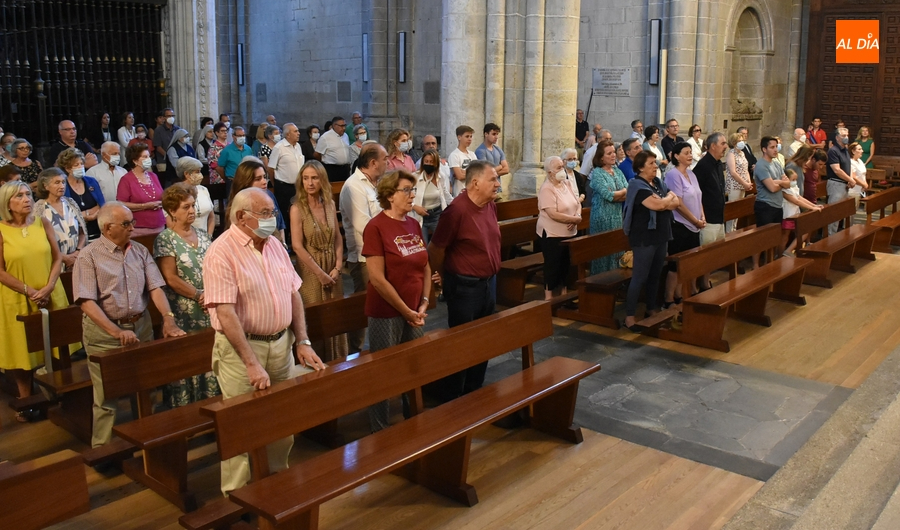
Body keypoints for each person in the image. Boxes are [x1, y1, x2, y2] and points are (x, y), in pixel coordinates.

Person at [203, 187, 325, 494]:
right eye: (266, 213)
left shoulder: (274, 245)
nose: (273, 219)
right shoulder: (221, 251)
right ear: (242, 217)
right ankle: (236, 496)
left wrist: (303, 340)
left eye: (273, 212)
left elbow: (293, 293)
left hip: (281, 344)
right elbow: (226, 313)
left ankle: (274, 484)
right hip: (243, 349)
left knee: (281, 419)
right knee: (240, 425)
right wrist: (251, 362)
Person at [74, 202, 186, 446]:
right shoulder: (89, 255)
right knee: (106, 397)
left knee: (145, 387)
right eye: (126, 224)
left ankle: (147, 438)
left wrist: (168, 318)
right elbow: (87, 302)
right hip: (105, 334)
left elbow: (155, 287)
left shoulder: (139, 251)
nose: (132, 228)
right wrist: (116, 331)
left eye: (132, 222)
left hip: (140, 326)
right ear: (107, 228)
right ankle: (103, 449)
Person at [427, 160, 501, 402]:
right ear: (475, 183)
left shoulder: (489, 205)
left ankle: (474, 389)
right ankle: (453, 397)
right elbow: (436, 248)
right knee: (462, 343)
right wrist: (443, 276)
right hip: (464, 287)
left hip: (488, 283)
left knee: (484, 339)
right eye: (493, 179)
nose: (497, 184)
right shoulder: (456, 211)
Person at [363, 170, 431, 431]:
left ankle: (412, 420)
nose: (412, 195)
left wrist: (424, 303)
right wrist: (406, 311)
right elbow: (377, 279)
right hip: (387, 311)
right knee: (384, 372)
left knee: (412, 367)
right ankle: (379, 429)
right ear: (390, 195)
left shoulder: (413, 224)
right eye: (407, 190)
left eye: (413, 190)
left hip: (415, 310)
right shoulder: (376, 227)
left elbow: (425, 265)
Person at [0, 181, 69, 422]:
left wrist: (49, 286)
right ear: (7, 203)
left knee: (58, 346)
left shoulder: (43, 222)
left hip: (50, 293)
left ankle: (63, 396)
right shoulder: (1, 230)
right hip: (17, 297)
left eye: (28, 194)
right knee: (22, 351)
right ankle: (26, 401)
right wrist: (29, 291)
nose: (26, 199)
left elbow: (57, 257)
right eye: (19, 196)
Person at [154, 183, 218, 408]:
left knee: (211, 359)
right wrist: (199, 294)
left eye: (193, 205)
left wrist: (212, 293)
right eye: (185, 207)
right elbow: (170, 278)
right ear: (172, 211)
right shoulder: (166, 239)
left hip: (209, 307)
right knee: (189, 361)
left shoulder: (203, 235)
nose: (192, 211)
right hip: (184, 311)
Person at [290, 160, 348, 362]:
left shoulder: (330, 204)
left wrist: (338, 266)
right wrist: (320, 274)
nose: (310, 183)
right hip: (311, 270)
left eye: (314, 178)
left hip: (332, 267)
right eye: (305, 178)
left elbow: (338, 238)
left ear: (322, 179)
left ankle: (337, 361)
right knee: (315, 319)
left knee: (335, 317)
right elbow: (297, 246)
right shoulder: (297, 209)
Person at [340, 143, 389, 352]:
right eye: (385, 159)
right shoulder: (353, 186)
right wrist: (390, 235)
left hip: (382, 253)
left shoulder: (374, 183)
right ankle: (355, 353)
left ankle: (382, 349)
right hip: (364, 258)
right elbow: (364, 226)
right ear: (373, 162)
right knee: (364, 309)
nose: (388, 162)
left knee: (381, 306)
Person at [622, 151, 679, 331]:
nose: (656, 166)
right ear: (640, 167)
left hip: (661, 235)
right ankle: (630, 316)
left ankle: (651, 308)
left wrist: (665, 201)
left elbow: (676, 202)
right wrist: (666, 200)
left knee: (655, 274)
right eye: (651, 163)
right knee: (640, 276)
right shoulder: (637, 185)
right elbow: (659, 205)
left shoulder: (658, 183)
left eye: (655, 162)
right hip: (644, 238)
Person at [663, 142, 705, 307]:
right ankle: (668, 299)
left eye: (690, 152)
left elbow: (698, 197)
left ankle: (682, 294)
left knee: (689, 263)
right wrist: (695, 220)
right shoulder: (673, 175)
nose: (690, 155)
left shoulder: (691, 174)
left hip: (695, 225)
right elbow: (678, 203)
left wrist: (702, 216)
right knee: (676, 264)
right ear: (676, 156)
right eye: (686, 153)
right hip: (680, 225)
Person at [537, 157, 582, 300]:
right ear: (550, 172)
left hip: (570, 232)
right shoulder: (547, 188)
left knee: (566, 264)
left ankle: (564, 294)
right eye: (558, 168)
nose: (562, 170)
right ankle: (548, 297)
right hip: (552, 234)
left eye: (562, 166)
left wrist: (577, 216)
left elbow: (577, 203)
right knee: (553, 265)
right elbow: (552, 214)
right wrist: (573, 219)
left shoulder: (567, 183)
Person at [34, 168, 87, 271]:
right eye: (57, 183)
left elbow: (82, 232)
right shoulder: (39, 209)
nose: (62, 186)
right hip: (54, 264)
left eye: (63, 182)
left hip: (77, 260)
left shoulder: (71, 203)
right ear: (45, 186)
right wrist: (65, 258)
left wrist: (78, 252)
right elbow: (39, 241)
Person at [589, 140, 627, 274]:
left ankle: (617, 278)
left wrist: (619, 194)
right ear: (601, 157)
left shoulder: (617, 171)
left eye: (614, 152)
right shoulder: (597, 173)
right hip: (602, 217)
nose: (613, 155)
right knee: (603, 253)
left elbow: (628, 192)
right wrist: (621, 192)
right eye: (609, 153)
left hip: (617, 216)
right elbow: (608, 195)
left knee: (617, 251)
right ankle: (599, 281)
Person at [227, 157, 285, 243]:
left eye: (264, 177)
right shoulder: (238, 206)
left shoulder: (269, 195)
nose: (264, 182)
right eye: (258, 179)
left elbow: (280, 225)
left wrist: (282, 244)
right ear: (245, 182)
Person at [268, 123, 305, 248]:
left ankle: (297, 243)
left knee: (298, 214)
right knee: (285, 215)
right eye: (295, 131)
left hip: (298, 186)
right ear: (288, 134)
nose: (298, 133)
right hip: (283, 187)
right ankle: (285, 244)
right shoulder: (279, 147)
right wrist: (276, 184)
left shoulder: (298, 146)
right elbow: (271, 168)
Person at [59, 148, 105, 240]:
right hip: (76, 236)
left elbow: (101, 206)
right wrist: (88, 214)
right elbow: (66, 214)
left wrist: (82, 214)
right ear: (67, 169)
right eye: (76, 165)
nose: (81, 167)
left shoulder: (92, 181)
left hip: (98, 232)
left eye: (82, 164)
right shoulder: (63, 187)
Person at [117, 143, 165, 230]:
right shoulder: (126, 180)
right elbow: (121, 204)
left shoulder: (153, 176)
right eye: (145, 157)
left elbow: (162, 196)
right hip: (139, 227)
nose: (149, 159)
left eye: (149, 156)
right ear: (135, 161)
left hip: (160, 224)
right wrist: (145, 206)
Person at [411, 148, 454, 245]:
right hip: (420, 215)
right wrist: (414, 206)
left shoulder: (441, 176)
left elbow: (446, 194)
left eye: (431, 162)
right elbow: (406, 196)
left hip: (437, 215)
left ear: (436, 164)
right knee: (422, 245)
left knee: (440, 244)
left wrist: (456, 203)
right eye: (426, 161)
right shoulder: (414, 177)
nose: (429, 164)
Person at [693, 132, 728, 248]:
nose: (726, 146)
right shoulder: (703, 166)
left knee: (719, 253)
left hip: (719, 218)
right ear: (713, 146)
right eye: (722, 143)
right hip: (708, 221)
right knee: (707, 254)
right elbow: (697, 194)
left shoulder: (718, 163)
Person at [782, 169, 823, 255]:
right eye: (793, 180)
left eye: (796, 179)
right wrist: (812, 208)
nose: (795, 182)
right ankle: (780, 254)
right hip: (788, 216)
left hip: (796, 214)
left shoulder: (793, 188)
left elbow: (800, 198)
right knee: (785, 235)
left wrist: (814, 206)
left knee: (804, 231)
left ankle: (788, 250)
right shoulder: (784, 190)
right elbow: (796, 201)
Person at [754, 136, 791, 231]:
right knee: (766, 236)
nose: (775, 150)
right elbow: (772, 188)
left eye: (776, 146)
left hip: (778, 205)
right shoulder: (761, 165)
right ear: (764, 149)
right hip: (766, 206)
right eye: (772, 147)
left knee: (776, 235)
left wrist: (778, 182)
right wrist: (782, 183)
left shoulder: (776, 163)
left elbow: (788, 184)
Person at [826, 127, 855, 235]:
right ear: (837, 137)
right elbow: (837, 170)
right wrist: (850, 179)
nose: (846, 137)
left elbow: (848, 166)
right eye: (843, 136)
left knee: (841, 213)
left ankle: (838, 236)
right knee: (833, 213)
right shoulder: (833, 151)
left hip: (844, 184)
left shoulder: (845, 150)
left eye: (847, 135)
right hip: (836, 184)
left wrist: (850, 179)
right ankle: (830, 237)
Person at [177, 157, 216, 235]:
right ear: (187, 174)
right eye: (197, 172)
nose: (201, 175)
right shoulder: (176, 192)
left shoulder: (204, 189)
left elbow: (211, 217)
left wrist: (208, 236)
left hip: (205, 237)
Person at [725, 132, 753, 230]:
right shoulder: (731, 154)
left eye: (742, 140)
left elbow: (745, 169)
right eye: (739, 141)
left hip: (743, 185)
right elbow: (733, 172)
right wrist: (744, 183)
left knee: (738, 211)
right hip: (734, 185)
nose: (742, 142)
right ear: (734, 142)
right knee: (733, 211)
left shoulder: (742, 153)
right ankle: (729, 232)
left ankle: (734, 230)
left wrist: (748, 182)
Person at [215, 126, 254, 197]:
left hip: (247, 182)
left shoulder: (248, 149)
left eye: (243, 135)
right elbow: (219, 168)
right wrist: (227, 179)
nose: (242, 137)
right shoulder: (227, 150)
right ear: (233, 136)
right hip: (233, 182)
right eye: (239, 136)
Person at [315, 116, 352, 182]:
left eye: (345, 125)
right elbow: (317, 154)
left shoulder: (345, 136)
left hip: (345, 169)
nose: (344, 128)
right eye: (341, 126)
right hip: (332, 169)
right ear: (334, 125)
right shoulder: (325, 137)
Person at [448, 125, 478, 197]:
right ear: (459, 137)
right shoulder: (454, 155)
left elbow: (478, 173)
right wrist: (471, 173)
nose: (470, 139)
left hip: (473, 191)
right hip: (460, 192)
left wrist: (464, 171)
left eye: (471, 136)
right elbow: (459, 176)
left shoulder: (472, 154)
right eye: (467, 136)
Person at [153, 108, 181, 181]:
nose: (171, 117)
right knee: (166, 181)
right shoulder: (158, 130)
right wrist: (169, 156)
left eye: (172, 116)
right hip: (163, 162)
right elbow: (158, 147)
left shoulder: (177, 129)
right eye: (169, 116)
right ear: (164, 117)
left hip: (176, 161)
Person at [848, 142, 869, 207]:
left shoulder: (860, 161)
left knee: (856, 207)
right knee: (852, 209)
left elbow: (863, 174)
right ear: (853, 151)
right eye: (859, 149)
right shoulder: (851, 162)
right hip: (853, 190)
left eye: (861, 149)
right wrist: (863, 184)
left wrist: (865, 183)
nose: (862, 151)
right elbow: (853, 177)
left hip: (859, 189)